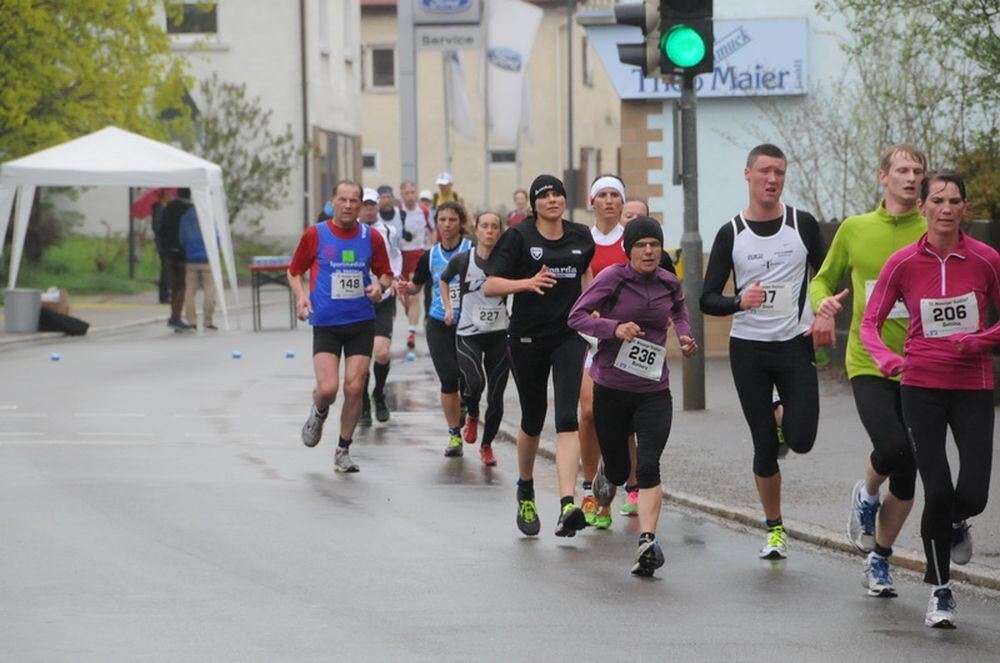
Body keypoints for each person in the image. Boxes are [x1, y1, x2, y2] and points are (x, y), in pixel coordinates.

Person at [861, 171, 1000, 629]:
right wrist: (883, 358)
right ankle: (941, 590)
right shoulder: (903, 262)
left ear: (964, 208)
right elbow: (870, 323)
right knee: (936, 489)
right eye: (937, 200)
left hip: (973, 386)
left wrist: (982, 340)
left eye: (954, 201)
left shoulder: (986, 260)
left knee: (973, 494)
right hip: (920, 385)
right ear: (923, 206)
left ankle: (956, 522)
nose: (946, 208)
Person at [809, 144, 927, 598]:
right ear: (883, 177)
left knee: (909, 470)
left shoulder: (931, 229)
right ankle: (866, 495)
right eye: (902, 169)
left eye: (917, 170)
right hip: (868, 359)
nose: (911, 177)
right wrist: (821, 301)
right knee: (894, 446)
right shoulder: (856, 229)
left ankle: (879, 558)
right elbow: (824, 276)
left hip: (921, 364)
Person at [700, 144, 826, 560]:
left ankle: (780, 413)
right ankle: (775, 528)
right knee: (764, 447)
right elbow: (706, 299)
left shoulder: (802, 225)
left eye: (780, 172)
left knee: (802, 440)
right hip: (749, 350)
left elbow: (825, 275)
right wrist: (739, 301)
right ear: (748, 175)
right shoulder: (731, 233)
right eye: (765, 171)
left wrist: (826, 309)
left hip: (794, 344)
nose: (772, 179)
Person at [569, 217, 697, 575]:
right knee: (620, 468)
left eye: (654, 244)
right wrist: (614, 327)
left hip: (654, 392)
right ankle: (602, 483)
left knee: (648, 466)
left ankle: (647, 542)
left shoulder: (668, 282)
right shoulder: (611, 278)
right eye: (641, 245)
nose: (649, 250)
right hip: (612, 389)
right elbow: (575, 317)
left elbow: (680, 312)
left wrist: (685, 337)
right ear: (629, 250)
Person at [484, 174, 595, 537]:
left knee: (567, 417)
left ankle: (567, 504)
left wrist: (594, 310)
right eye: (543, 195)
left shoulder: (581, 236)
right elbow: (491, 285)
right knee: (533, 416)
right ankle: (526, 487)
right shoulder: (519, 237)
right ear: (533, 205)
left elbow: (586, 278)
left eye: (557, 194)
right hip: (527, 338)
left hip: (568, 337)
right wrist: (526, 283)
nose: (552, 200)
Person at [288, 180, 393, 473]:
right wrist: (301, 297)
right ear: (333, 201)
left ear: (360, 205)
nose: (348, 205)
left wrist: (379, 287)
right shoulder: (316, 234)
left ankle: (343, 449)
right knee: (328, 388)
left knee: (355, 386)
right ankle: (319, 411)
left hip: (361, 321)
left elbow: (386, 274)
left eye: (354, 201)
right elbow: (294, 270)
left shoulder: (370, 237)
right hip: (326, 323)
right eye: (343, 199)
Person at [397, 202, 473, 456]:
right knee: (449, 378)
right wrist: (405, 287)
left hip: (470, 324)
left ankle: (465, 406)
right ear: (436, 223)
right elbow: (416, 286)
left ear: (460, 223)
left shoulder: (471, 250)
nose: (447, 225)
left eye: (452, 220)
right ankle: (454, 436)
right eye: (443, 220)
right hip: (439, 323)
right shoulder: (430, 256)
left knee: (470, 381)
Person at [439, 212, 510, 466]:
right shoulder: (462, 259)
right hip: (468, 333)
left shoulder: (508, 262)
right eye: (485, 226)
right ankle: (471, 413)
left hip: (499, 334)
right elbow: (444, 280)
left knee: (497, 396)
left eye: (494, 227)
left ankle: (487, 445)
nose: (490, 231)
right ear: (476, 230)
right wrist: (449, 307)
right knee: (475, 383)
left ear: (500, 232)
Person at [579, 174, 629, 529]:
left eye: (615, 195)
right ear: (592, 201)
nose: (609, 201)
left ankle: (612, 490)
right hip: (590, 337)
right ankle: (588, 486)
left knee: (622, 421)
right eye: (603, 195)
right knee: (588, 413)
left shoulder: (634, 240)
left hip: (627, 338)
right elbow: (577, 289)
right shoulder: (582, 241)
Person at [359, 188, 404, 425]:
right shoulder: (352, 231)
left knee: (382, 352)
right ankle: (363, 402)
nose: (367, 209)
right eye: (364, 205)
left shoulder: (390, 231)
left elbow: (396, 256)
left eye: (371, 205)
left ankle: (379, 393)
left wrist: (394, 278)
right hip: (357, 301)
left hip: (383, 298)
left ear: (377, 207)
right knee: (362, 358)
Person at [399, 181, 435, 352]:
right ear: (402, 194)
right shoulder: (397, 212)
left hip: (418, 254)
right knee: (404, 297)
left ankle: (411, 331)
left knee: (414, 295)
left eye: (413, 192)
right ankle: (410, 317)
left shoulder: (424, 211)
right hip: (400, 256)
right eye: (407, 192)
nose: (411, 196)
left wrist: (432, 248)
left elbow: (433, 230)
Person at [179, 202, 217, 331]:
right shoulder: (208, 216)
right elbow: (216, 237)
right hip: (207, 260)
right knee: (209, 290)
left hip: (191, 260)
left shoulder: (185, 217)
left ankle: (192, 321)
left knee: (189, 291)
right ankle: (208, 321)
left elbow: (182, 239)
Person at [159, 188, 193, 331]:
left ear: (178, 193)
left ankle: (174, 316)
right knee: (182, 286)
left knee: (174, 286)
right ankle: (175, 318)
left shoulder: (169, 207)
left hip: (168, 253)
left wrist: (164, 248)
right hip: (183, 254)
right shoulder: (190, 209)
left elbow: (161, 229)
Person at [150, 189, 170, 304]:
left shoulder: (163, 208)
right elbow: (157, 227)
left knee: (166, 269)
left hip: (163, 242)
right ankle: (164, 295)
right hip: (162, 243)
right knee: (165, 269)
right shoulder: (159, 209)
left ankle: (165, 293)